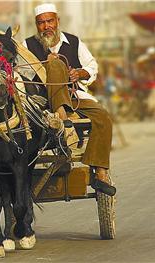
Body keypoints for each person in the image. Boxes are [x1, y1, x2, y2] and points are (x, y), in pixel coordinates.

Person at [23, 3, 115, 196]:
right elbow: (22, 73)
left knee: (103, 117)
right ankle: (61, 114)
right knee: (54, 63)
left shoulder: (73, 42)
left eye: (50, 21)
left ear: (57, 21)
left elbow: (91, 67)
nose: (46, 26)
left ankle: (100, 172)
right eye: (41, 23)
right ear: (36, 25)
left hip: (74, 97)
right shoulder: (28, 46)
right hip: (40, 100)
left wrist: (78, 73)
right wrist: (46, 67)